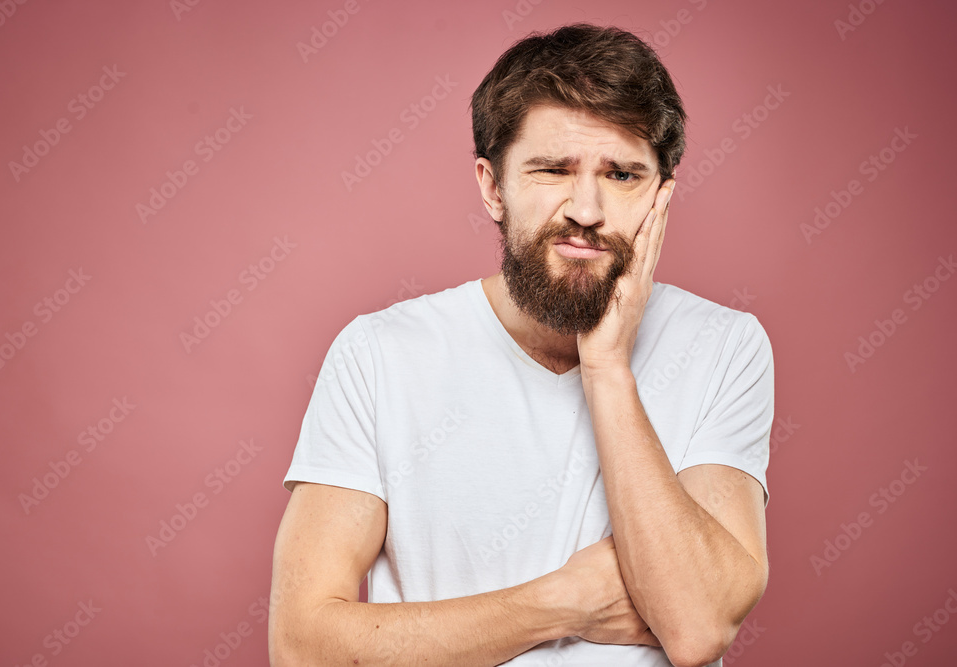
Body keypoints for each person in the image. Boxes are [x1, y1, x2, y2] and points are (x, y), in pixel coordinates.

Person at [269, 22, 773, 667]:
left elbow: (699, 628)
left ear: (662, 195)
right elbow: (303, 647)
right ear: (491, 187)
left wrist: (607, 365)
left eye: (621, 175)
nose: (586, 209)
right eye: (552, 169)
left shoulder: (725, 346)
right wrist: (563, 601)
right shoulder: (379, 354)